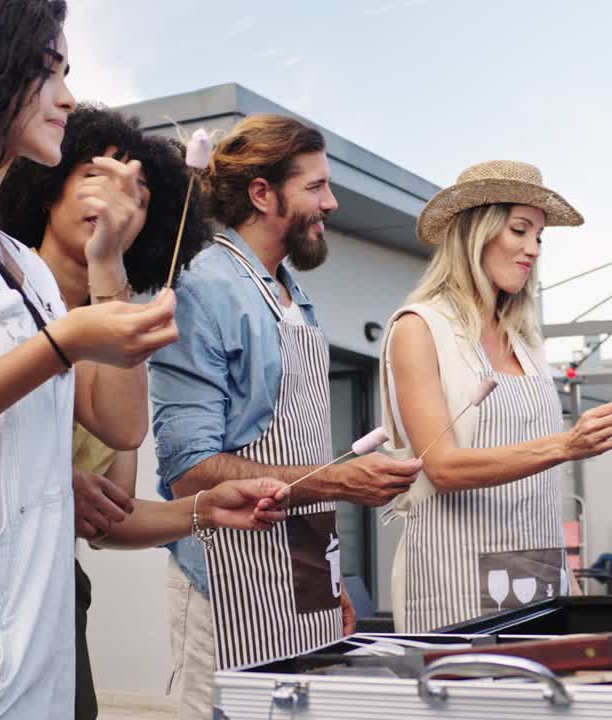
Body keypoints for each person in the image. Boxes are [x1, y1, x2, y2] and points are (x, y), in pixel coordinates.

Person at [0, 103, 287, 719]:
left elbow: (111, 512)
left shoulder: (120, 324)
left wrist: (201, 511)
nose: (120, 201)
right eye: (99, 176)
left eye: (142, 193)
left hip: (54, 597)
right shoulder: (3, 293)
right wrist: (107, 266)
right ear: (47, 187)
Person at [148, 113, 423, 718]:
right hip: (226, 584)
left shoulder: (293, 296)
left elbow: (297, 455)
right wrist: (339, 482)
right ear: (262, 193)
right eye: (316, 187)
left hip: (300, 578)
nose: (331, 202)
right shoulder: (203, 288)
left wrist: (328, 584)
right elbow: (190, 470)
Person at [380, 160, 612, 632]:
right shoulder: (419, 329)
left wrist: (570, 580)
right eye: (521, 230)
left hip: (542, 574)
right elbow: (443, 467)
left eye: (539, 237)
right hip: (453, 577)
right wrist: (566, 445)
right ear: (477, 231)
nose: (533, 249)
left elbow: (537, 489)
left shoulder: (526, 343)